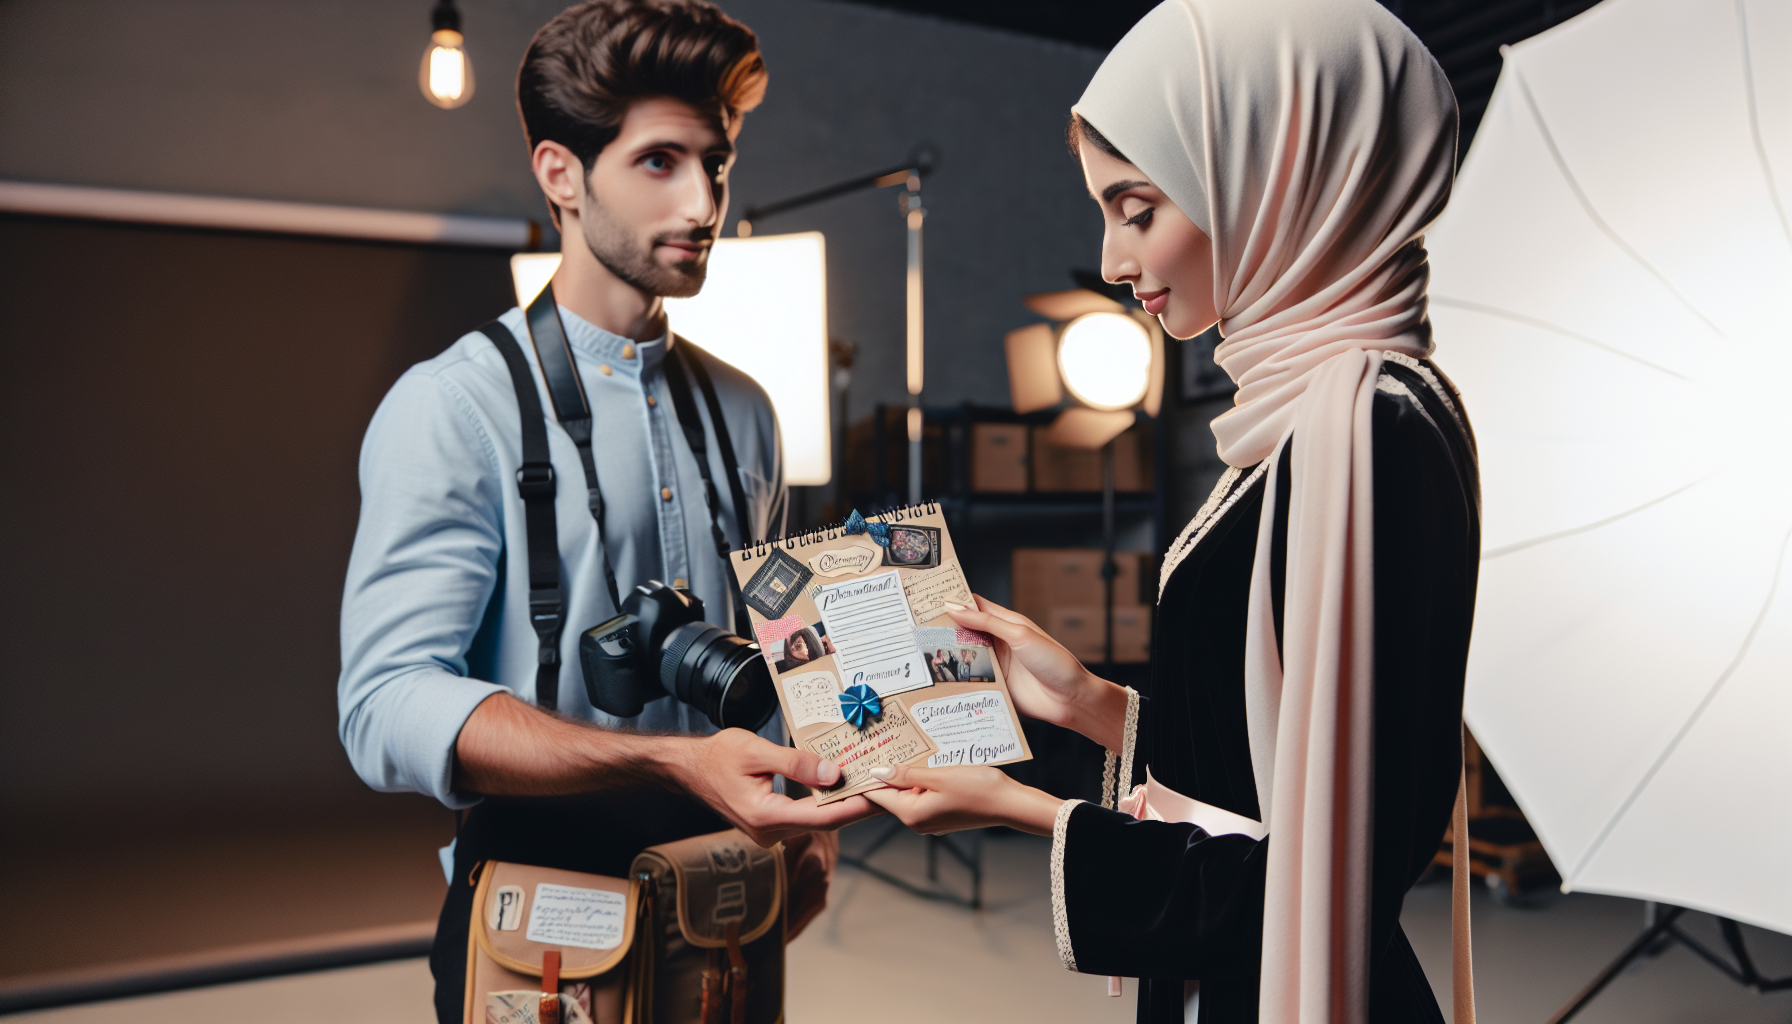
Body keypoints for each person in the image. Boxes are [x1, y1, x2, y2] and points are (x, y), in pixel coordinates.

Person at [864, 1, 1477, 1021]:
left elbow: (1321, 877)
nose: (1109, 259)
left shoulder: (1367, 430)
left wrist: (1022, 808)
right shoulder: (1304, 410)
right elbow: (1275, 763)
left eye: (1137, 208)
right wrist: (1088, 703)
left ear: (1273, 180)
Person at [335, 3, 873, 1020]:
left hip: (727, 898)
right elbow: (384, 706)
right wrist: (671, 760)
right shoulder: (453, 405)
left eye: (715, 163)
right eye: (660, 162)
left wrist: (812, 813)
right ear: (561, 175)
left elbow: (781, 651)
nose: (705, 198)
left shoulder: (751, 411)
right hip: (540, 919)